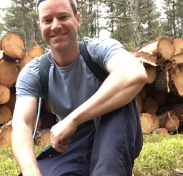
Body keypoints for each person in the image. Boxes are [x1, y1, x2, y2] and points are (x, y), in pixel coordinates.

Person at [11, 0, 147, 175]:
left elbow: (135, 73)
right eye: (47, 20)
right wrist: (31, 171)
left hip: (115, 134)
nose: (55, 26)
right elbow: (22, 124)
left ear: (78, 19)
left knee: (119, 96)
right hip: (74, 147)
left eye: (63, 17)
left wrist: (73, 120)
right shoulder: (35, 71)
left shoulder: (99, 49)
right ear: (39, 26)